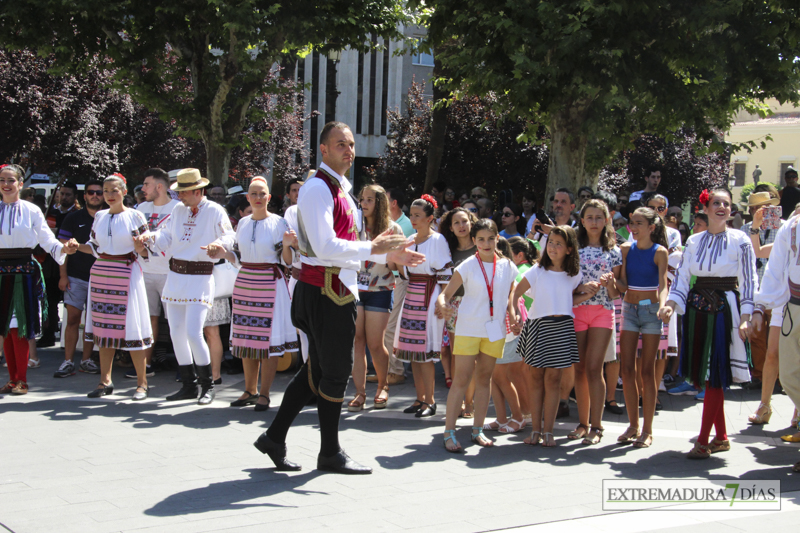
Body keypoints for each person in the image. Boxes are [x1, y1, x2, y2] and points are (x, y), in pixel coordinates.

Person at [253, 121, 422, 474]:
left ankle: (274, 437)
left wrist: (386, 257)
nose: (348, 149)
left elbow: (346, 249)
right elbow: (326, 246)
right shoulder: (318, 189)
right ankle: (329, 452)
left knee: (318, 372)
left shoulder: (341, 190)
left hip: (333, 289)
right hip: (324, 290)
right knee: (334, 374)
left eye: (351, 143)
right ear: (323, 150)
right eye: (340, 144)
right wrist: (374, 248)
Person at [660, 187, 757, 459]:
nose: (722, 207)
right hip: (696, 308)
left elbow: (749, 282)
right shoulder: (694, 241)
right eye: (717, 203)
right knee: (706, 376)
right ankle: (722, 437)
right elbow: (681, 278)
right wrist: (670, 305)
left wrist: (747, 317)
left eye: (726, 204)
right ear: (705, 207)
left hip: (726, 310)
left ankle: (703, 441)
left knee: (715, 375)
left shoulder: (741, 240)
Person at [135, 168, 236, 405]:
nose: (179, 196)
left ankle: (208, 385)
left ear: (198, 191)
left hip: (200, 277)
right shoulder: (178, 211)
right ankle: (189, 385)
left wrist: (218, 245)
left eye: (184, 192)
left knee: (193, 332)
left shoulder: (214, 210)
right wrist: (150, 237)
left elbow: (229, 236)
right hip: (176, 275)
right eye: (178, 191)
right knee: (176, 333)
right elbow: (166, 237)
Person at [205, 177, 298, 411]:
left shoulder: (279, 223)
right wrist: (223, 254)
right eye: (253, 194)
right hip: (246, 282)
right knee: (247, 339)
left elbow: (288, 262)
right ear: (247, 198)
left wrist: (287, 245)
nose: (258, 198)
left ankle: (264, 393)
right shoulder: (243, 224)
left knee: (267, 342)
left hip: (270, 282)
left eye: (262, 194)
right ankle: (249, 390)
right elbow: (238, 258)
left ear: (269, 197)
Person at [437, 219, 519, 451]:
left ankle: (477, 430)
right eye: (480, 239)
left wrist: (512, 312)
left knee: (484, 380)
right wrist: (443, 305)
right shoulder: (467, 266)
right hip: (468, 329)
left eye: (490, 238)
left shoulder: (507, 266)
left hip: (494, 331)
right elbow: (445, 295)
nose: (486, 243)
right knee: (461, 380)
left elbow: (513, 291)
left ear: (497, 239)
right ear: (473, 241)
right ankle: (449, 432)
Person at [0, 164, 78, 395]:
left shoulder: (31, 210)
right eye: (2, 180)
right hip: (1, 273)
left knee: (19, 327)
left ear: (21, 184)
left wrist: (65, 250)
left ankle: (21, 380)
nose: (6, 184)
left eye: (11, 180)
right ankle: (13, 380)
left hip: (23, 271)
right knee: (4, 327)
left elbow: (46, 239)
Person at [512, 226, 586, 447]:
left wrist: (586, 294)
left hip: (562, 328)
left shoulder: (575, 275)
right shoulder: (536, 271)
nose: (553, 247)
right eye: (551, 242)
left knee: (554, 381)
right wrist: (515, 313)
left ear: (569, 249)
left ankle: (548, 432)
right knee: (536, 380)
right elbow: (515, 292)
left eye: (558, 244)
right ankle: (535, 430)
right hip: (538, 326)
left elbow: (566, 301)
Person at [82, 174, 153, 400]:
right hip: (102, 272)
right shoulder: (100, 216)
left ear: (124, 192)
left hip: (126, 270)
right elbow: (94, 247)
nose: (109, 195)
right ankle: (105, 381)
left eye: (114, 190)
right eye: (105, 191)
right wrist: (73, 247)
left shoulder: (135, 215)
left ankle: (142, 384)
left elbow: (146, 251)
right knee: (103, 328)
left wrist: (139, 246)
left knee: (133, 327)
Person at [394, 194, 452, 419]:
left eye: (418, 215)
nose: (413, 219)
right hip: (413, 295)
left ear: (430, 218)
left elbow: (445, 275)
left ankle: (430, 400)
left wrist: (443, 300)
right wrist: (398, 258)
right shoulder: (410, 239)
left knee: (425, 354)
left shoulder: (437, 241)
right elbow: (403, 273)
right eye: (412, 215)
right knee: (414, 353)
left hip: (430, 295)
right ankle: (420, 398)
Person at [615, 207, 669, 448]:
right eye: (631, 223)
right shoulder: (625, 249)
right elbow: (623, 284)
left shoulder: (660, 252)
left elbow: (663, 284)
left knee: (647, 372)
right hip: (628, 310)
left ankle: (647, 430)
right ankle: (633, 425)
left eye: (638, 223)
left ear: (651, 228)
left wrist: (664, 306)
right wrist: (611, 281)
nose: (633, 227)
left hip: (651, 313)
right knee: (626, 370)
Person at [570, 200, 622, 445]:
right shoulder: (573, 249)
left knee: (594, 368)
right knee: (579, 369)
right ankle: (582, 423)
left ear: (606, 220)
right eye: (589, 217)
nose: (593, 222)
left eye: (598, 217)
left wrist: (611, 283)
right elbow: (565, 283)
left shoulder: (614, 250)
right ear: (582, 221)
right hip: (577, 310)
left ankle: (597, 426)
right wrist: (581, 287)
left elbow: (617, 293)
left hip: (603, 311)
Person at [348, 184, 403, 412]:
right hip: (354, 289)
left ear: (380, 203)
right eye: (363, 199)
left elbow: (396, 267)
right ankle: (360, 393)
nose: (364, 204)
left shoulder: (393, 229)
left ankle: (383, 385)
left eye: (370, 200)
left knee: (375, 343)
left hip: (380, 290)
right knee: (357, 341)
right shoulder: (354, 226)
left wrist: (392, 258)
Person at [754, 209, 800, 471]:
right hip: (794, 305)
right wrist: (761, 307)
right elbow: (775, 266)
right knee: (791, 374)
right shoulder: (792, 226)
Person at [484, 236, 537, 434]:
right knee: (493, 377)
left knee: (501, 376)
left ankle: (517, 417)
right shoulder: (487, 269)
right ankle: (501, 417)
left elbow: (511, 299)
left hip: (505, 331)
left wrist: (514, 318)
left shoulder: (506, 270)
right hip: (490, 329)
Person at [53, 179, 104, 378]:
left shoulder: (108, 217)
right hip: (75, 277)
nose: (95, 195)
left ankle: (86, 360)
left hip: (101, 277)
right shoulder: (73, 218)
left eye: (99, 192)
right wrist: (63, 276)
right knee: (73, 319)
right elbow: (62, 249)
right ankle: (67, 361)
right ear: (84, 196)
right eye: (91, 192)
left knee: (91, 322)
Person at [743, 189, 784, 425]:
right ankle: (763, 395)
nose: (760, 211)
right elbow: (754, 253)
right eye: (756, 208)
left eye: (766, 207)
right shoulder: (747, 230)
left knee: (787, 353)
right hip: (765, 293)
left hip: (786, 296)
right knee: (765, 346)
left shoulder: (786, 226)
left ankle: (795, 413)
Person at [135, 168, 180, 379]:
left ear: (159, 187)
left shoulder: (177, 208)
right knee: (147, 319)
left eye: (146, 184)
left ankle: (186, 367)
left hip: (170, 272)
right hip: (144, 271)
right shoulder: (140, 208)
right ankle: (146, 365)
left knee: (176, 320)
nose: (143, 189)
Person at [438, 207, 479, 414]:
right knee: (458, 355)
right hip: (455, 305)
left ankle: (471, 402)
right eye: (456, 223)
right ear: (451, 228)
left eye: (464, 221)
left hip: (478, 305)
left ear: (471, 223)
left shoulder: (482, 247)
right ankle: (460, 399)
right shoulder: (448, 252)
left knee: (476, 357)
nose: (461, 226)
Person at [39, 181, 80, 348]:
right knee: (49, 300)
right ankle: (48, 333)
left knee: (71, 304)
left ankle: (67, 338)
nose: (64, 197)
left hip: (70, 263)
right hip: (50, 263)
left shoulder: (77, 214)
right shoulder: (51, 213)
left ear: (75, 197)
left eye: (68, 194)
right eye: (61, 194)